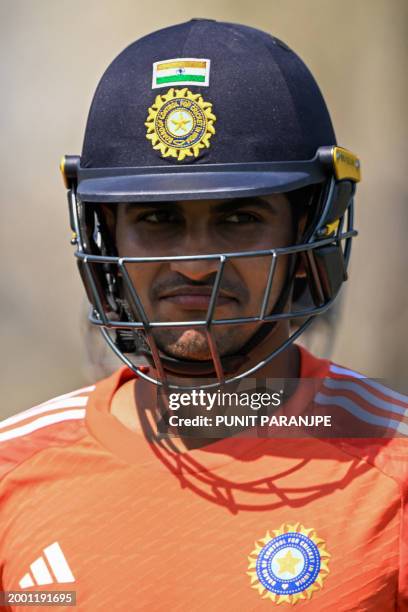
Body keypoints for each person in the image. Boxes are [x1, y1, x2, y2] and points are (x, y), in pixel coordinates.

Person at [1, 19, 407, 611]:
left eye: (239, 219)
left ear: (309, 231)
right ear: (105, 236)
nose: (195, 265)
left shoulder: (394, 463)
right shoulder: (13, 472)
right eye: (158, 219)